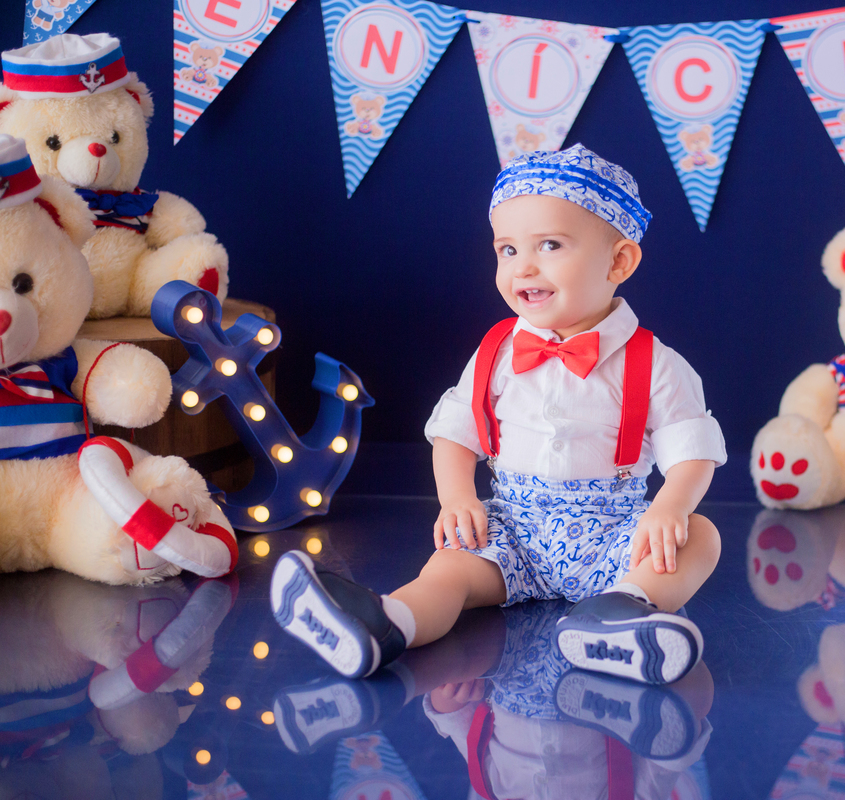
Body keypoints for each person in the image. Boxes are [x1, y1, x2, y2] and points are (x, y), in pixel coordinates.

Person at [271, 144, 725, 684]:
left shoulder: (658, 364)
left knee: (699, 536)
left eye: (550, 245)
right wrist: (458, 497)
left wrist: (669, 507)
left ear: (619, 261)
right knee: (450, 568)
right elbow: (456, 433)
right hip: (514, 525)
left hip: (615, 532)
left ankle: (622, 610)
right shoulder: (496, 353)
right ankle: (387, 622)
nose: (523, 267)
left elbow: (690, 449)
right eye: (506, 250)